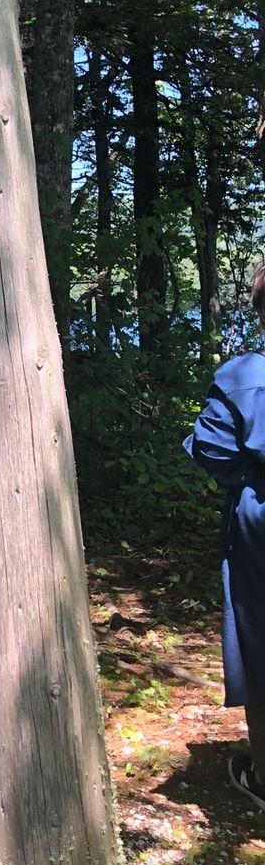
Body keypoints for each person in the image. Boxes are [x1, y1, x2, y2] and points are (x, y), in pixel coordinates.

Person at [184, 263, 265, 808]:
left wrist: (249, 474)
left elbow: (209, 447)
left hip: (259, 523)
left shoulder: (245, 376)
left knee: (260, 638)